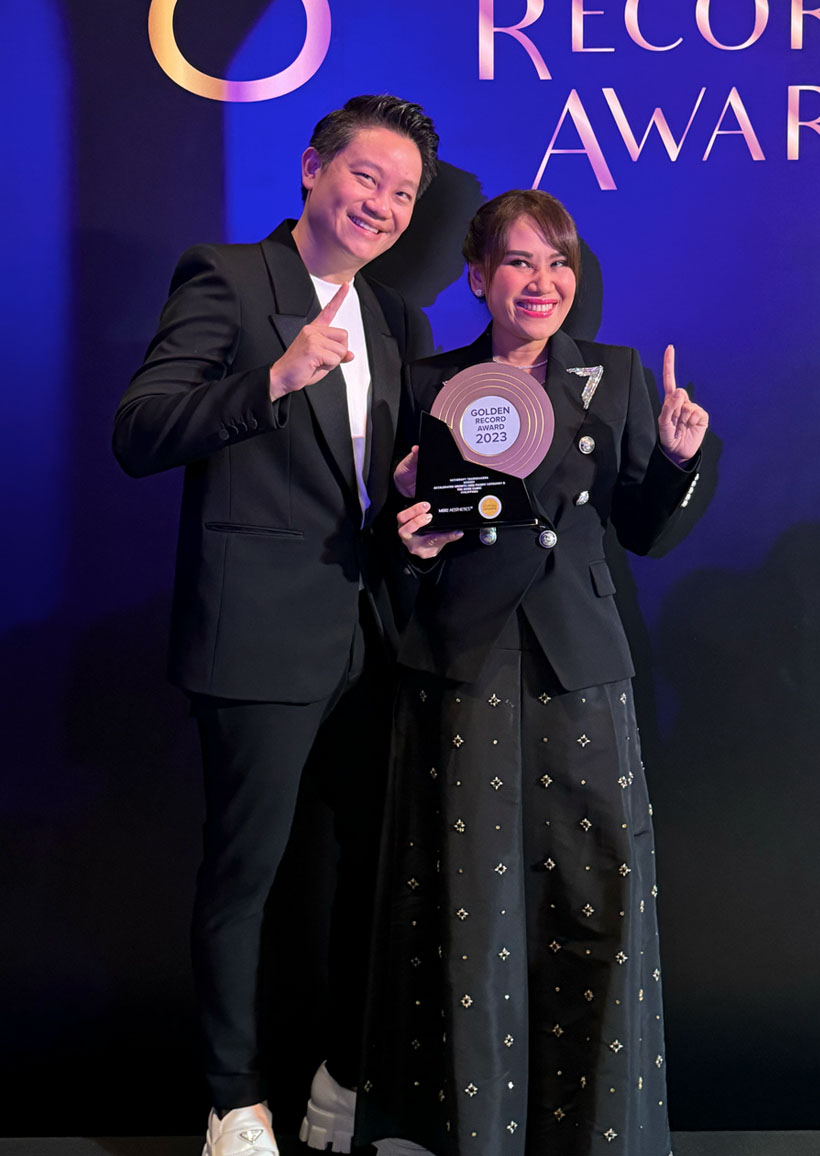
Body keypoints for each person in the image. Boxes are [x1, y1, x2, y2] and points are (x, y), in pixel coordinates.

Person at [113, 94, 439, 1156]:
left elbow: (372, 486)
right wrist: (274, 378)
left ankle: (341, 1082)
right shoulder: (228, 277)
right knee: (245, 876)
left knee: (369, 873)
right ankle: (232, 1101)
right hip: (256, 637)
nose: (382, 205)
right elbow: (139, 431)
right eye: (366, 178)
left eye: (403, 193)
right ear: (311, 168)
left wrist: (410, 512)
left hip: (373, 638)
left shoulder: (397, 319)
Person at [356, 189, 709, 1156]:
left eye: (558, 262)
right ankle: (473, 1134)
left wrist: (676, 461)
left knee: (593, 898)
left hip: (578, 661)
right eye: (518, 261)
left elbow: (644, 531)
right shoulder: (429, 381)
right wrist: (408, 535)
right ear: (479, 277)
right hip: (461, 660)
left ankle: (595, 1136)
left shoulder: (615, 375)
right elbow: (395, 541)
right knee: (470, 900)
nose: (541, 282)